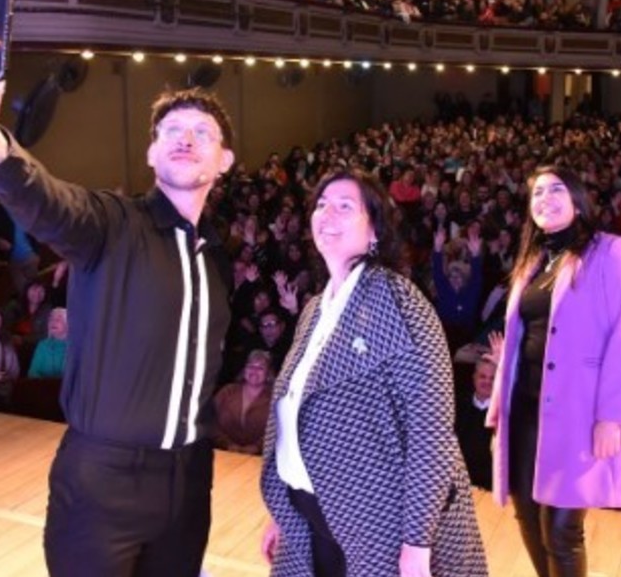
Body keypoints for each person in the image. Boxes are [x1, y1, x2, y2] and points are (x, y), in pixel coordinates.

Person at [0, 21, 236, 577]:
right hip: (102, 484)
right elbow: (44, 199)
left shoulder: (217, 260)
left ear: (225, 161)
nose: (186, 137)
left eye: (203, 131)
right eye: (171, 129)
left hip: (189, 482)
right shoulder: (111, 225)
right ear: (151, 154)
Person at [259, 170, 487, 577]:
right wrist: (284, 509)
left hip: (381, 526)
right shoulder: (313, 310)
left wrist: (417, 542)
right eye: (321, 204)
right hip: (314, 514)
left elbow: (431, 429)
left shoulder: (398, 299)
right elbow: (296, 412)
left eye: (345, 206)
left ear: (375, 232)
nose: (328, 213)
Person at [487, 166, 621, 577]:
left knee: (560, 531)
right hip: (525, 410)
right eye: (537, 192)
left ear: (578, 199)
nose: (545, 198)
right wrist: (499, 408)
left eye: (556, 189)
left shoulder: (610, 252)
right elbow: (518, 338)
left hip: (578, 415)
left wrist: (611, 416)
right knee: (526, 513)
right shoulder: (533, 261)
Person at [211, 350, 273, 454]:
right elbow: (209, 420)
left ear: (268, 374)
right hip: (222, 453)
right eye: (250, 366)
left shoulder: (274, 398)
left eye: (260, 368)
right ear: (244, 370)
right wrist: (227, 444)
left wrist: (256, 448)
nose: (254, 371)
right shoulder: (227, 392)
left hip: (259, 457)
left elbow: (278, 429)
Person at [455, 356, 496, 490]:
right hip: (460, 485)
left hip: (490, 488)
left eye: (492, 378)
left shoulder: (504, 415)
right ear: (474, 378)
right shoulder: (457, 406)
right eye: (482, 376)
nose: (487, 382)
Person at [29, 307, 69, 378]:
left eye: (58, 319)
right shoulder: (42, 345)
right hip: (42, 385)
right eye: (51, 319)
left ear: (67, 324)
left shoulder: (75, 347)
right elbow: (32, 373)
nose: (53, 322)